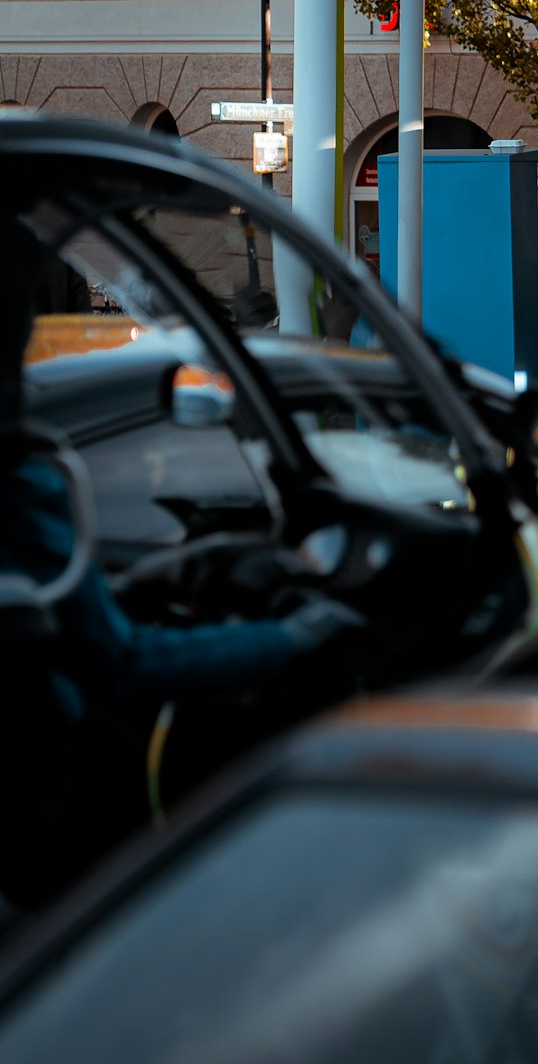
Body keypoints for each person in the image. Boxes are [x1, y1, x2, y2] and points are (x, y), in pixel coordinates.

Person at [0, 236, 362, 902]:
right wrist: (287, 640)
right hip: (34, 790)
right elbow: (119, 660)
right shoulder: (24, 472)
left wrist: (141, 583)